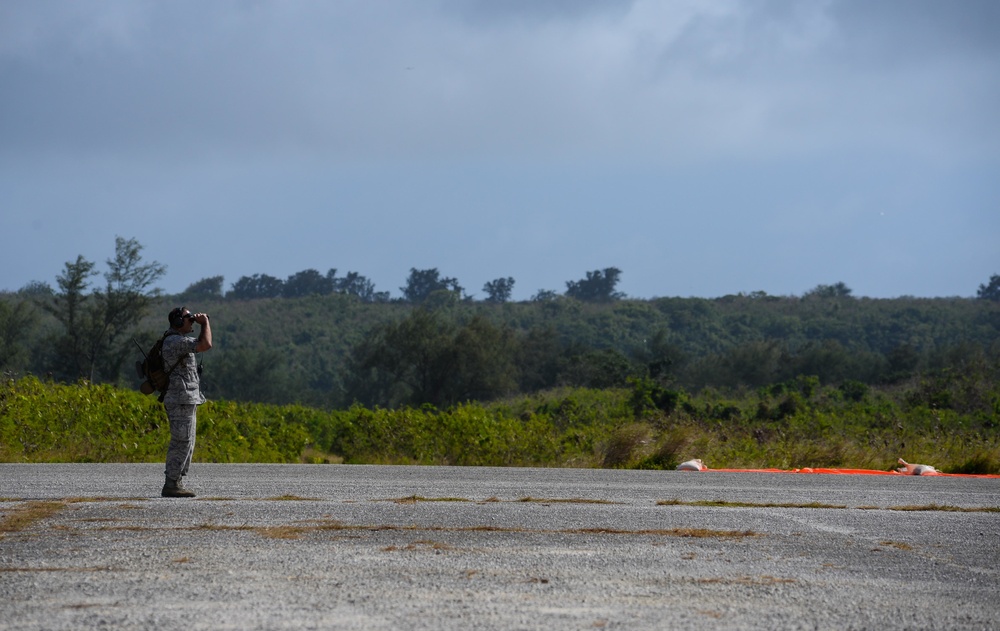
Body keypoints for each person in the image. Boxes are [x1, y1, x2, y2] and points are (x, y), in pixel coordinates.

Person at [160, 306, 212, 498]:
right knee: (181, 441)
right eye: (187, 318)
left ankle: (177, 480)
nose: (191, 320)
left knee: (188, 441)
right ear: (178, 322)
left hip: (186, 397)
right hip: (179, 398)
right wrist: (204, 323)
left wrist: (199, 322)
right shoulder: (174, 341)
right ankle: (171, 483)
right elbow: (205, 344)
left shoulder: (178, 340)